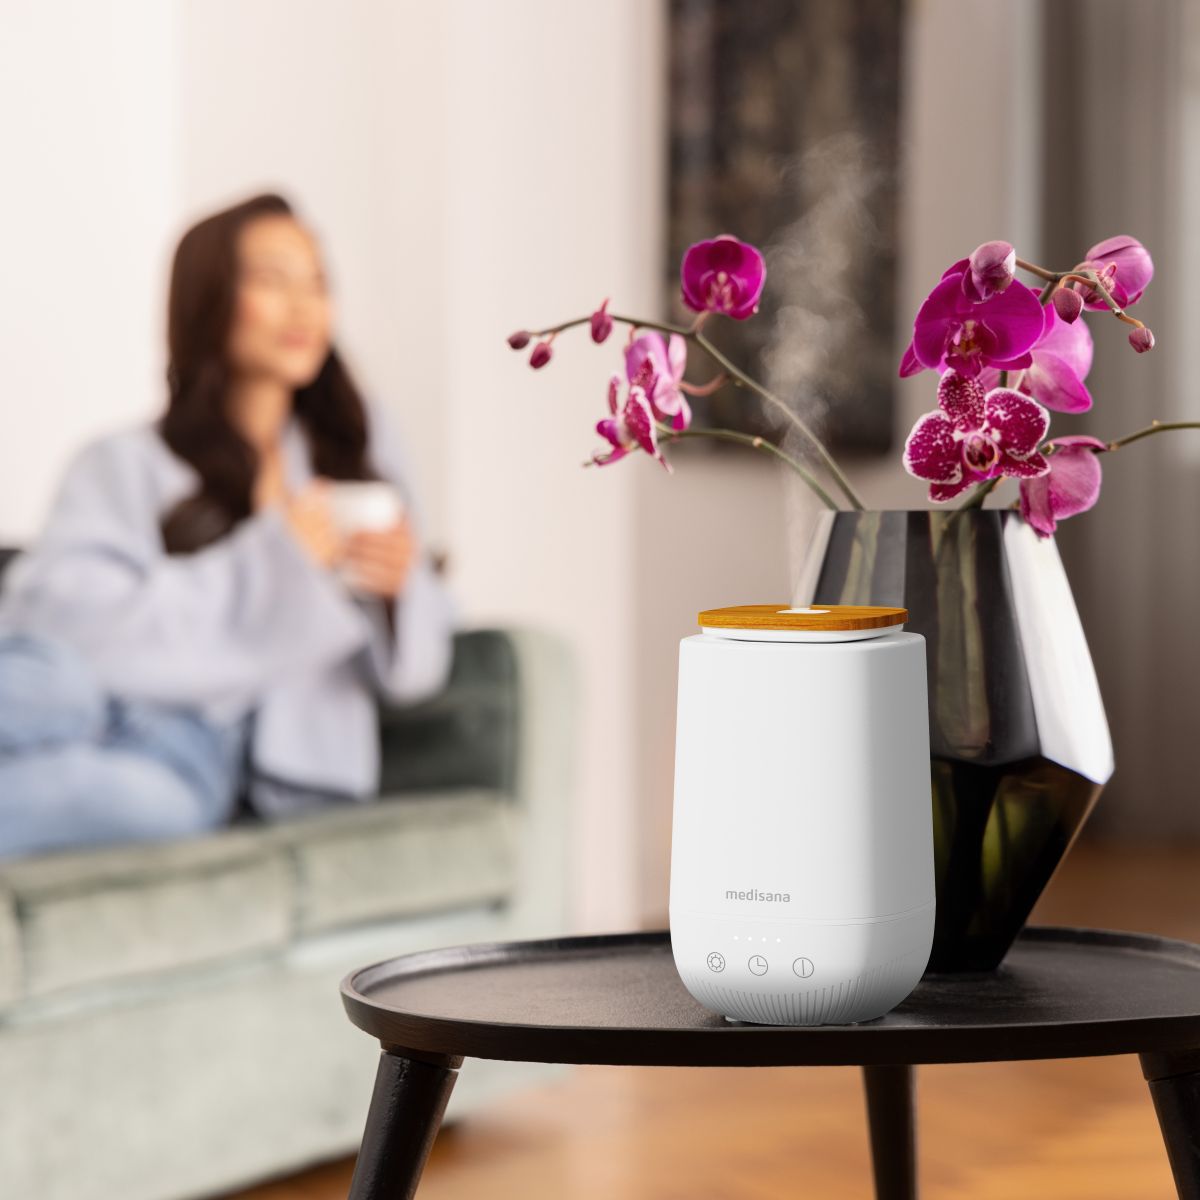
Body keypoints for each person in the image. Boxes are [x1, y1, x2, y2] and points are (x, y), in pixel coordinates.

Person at [0, 193, 454, 858]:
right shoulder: (122, 462)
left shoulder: (359, 458)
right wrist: (275, 562)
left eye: (318, 283)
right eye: (272, 280)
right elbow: (59, 623)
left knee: (143, 800)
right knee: (54, 692)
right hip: (82, 694)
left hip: (185, 751)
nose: (303, 307)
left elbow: (414, 671)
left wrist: (399, 593)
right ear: (209, 298)